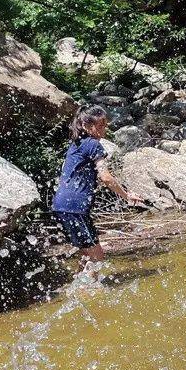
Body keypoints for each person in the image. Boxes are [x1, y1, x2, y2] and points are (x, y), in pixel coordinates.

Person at [51, 105, 144, 265]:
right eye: (100, 126)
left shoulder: (76, 144)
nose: (104, 130)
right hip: (75, 207)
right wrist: (126, 195)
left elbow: (90, 176)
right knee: (97, 257)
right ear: (86, 126)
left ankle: (79, 288)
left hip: (61, 205)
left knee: (86, 255)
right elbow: (106, 177)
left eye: (105, 125)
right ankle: (90, 288)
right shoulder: (93, 144)